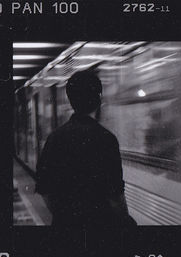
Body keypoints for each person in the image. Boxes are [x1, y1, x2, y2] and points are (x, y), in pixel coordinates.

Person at [35, 70, 136, 227]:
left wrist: (64, 215)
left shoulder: (54, 138)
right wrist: (126, 221)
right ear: (99, 98)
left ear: (70, 100)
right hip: (101, 228)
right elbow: (115, 196)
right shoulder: (106, 139)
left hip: (64, 227)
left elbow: (45, 189)